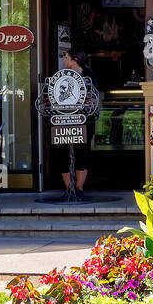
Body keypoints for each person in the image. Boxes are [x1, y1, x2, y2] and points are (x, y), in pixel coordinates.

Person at [55, 47, 96, 197]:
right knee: (62, 153)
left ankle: (79, 188)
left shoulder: (89, 76)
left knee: (82, 152)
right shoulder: (62, 76)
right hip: (64, 120)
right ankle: (68, 189)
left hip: (85, 121)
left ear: (75, 60)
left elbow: (92, 97)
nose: (64, 61)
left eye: (66, 58)